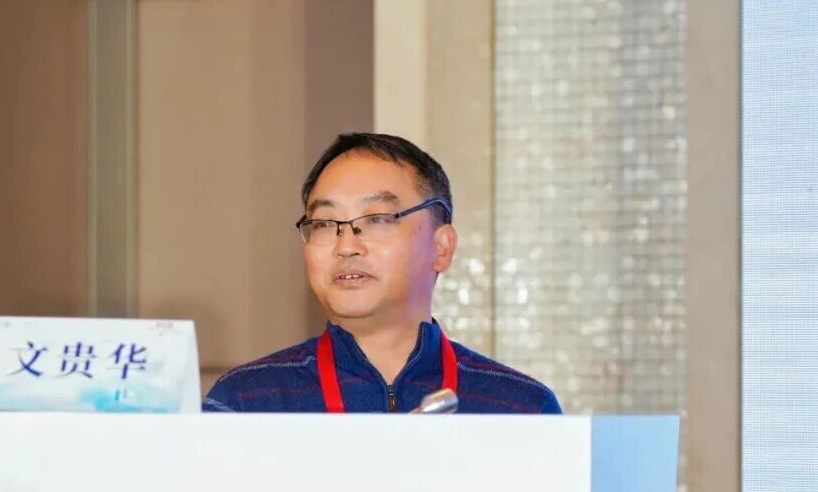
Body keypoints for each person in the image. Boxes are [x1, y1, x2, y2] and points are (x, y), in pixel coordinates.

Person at [203, 132, 562, 414]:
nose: (346, 246)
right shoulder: (245, 403)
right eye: (325, 223)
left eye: (377, 219)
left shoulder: (522, 409)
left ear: (441, 248)